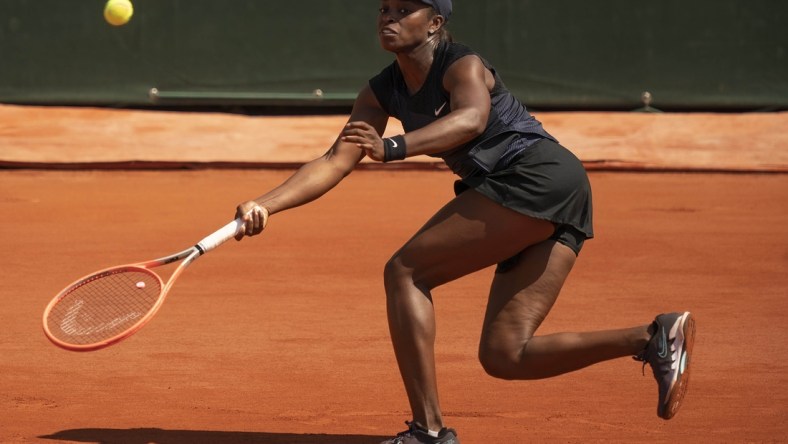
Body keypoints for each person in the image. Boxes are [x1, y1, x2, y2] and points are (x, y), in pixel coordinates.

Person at [234, 1, 696, 442]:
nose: (388, 18)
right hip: (543, 193)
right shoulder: (381, 89)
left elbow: (472, 120)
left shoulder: (462, 65)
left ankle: (428, 432)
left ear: (434, 23)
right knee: (506, 354)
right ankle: (653, 337)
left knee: (405, 271)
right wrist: (266, 204)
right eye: (384, 9)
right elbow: (337, 159)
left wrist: (394, 147)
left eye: (403, 10)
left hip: (536, 176)